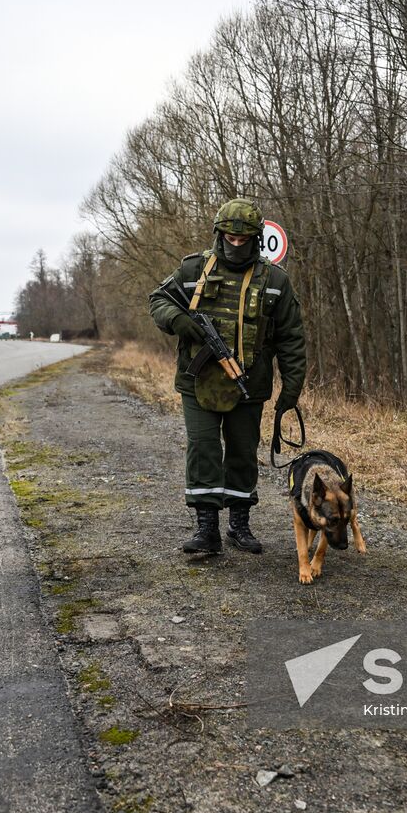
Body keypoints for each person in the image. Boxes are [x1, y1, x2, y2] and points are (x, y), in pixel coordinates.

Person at [148, 199, 306, 555]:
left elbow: (291, 338)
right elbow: (158, 300)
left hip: (249, 382)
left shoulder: (275, 281)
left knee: (242, 454)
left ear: (256, 238)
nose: (237, 246)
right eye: (230, 239)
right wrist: (179, 321)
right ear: (220, 235)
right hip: (198, 380)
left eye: (244, 240)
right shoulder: (193, 269)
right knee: (202, 449)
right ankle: (207, 529)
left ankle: (239, 525)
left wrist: (291, 389)